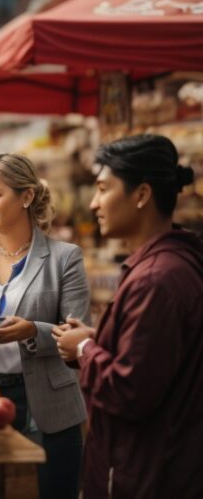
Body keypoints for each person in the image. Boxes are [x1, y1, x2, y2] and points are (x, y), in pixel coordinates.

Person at [54, 135, 203, 499]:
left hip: (146, 474)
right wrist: (99, 339)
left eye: (103, 189)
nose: (93, 204)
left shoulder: (156, 279)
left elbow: (130, 391)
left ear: (141, 195)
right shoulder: (167, 266)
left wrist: (86, 348)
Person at [0, 153, 88, 499]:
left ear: (26, 196)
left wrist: (32, 331)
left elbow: (78, 335)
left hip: (45, 402)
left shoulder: (64, 257)